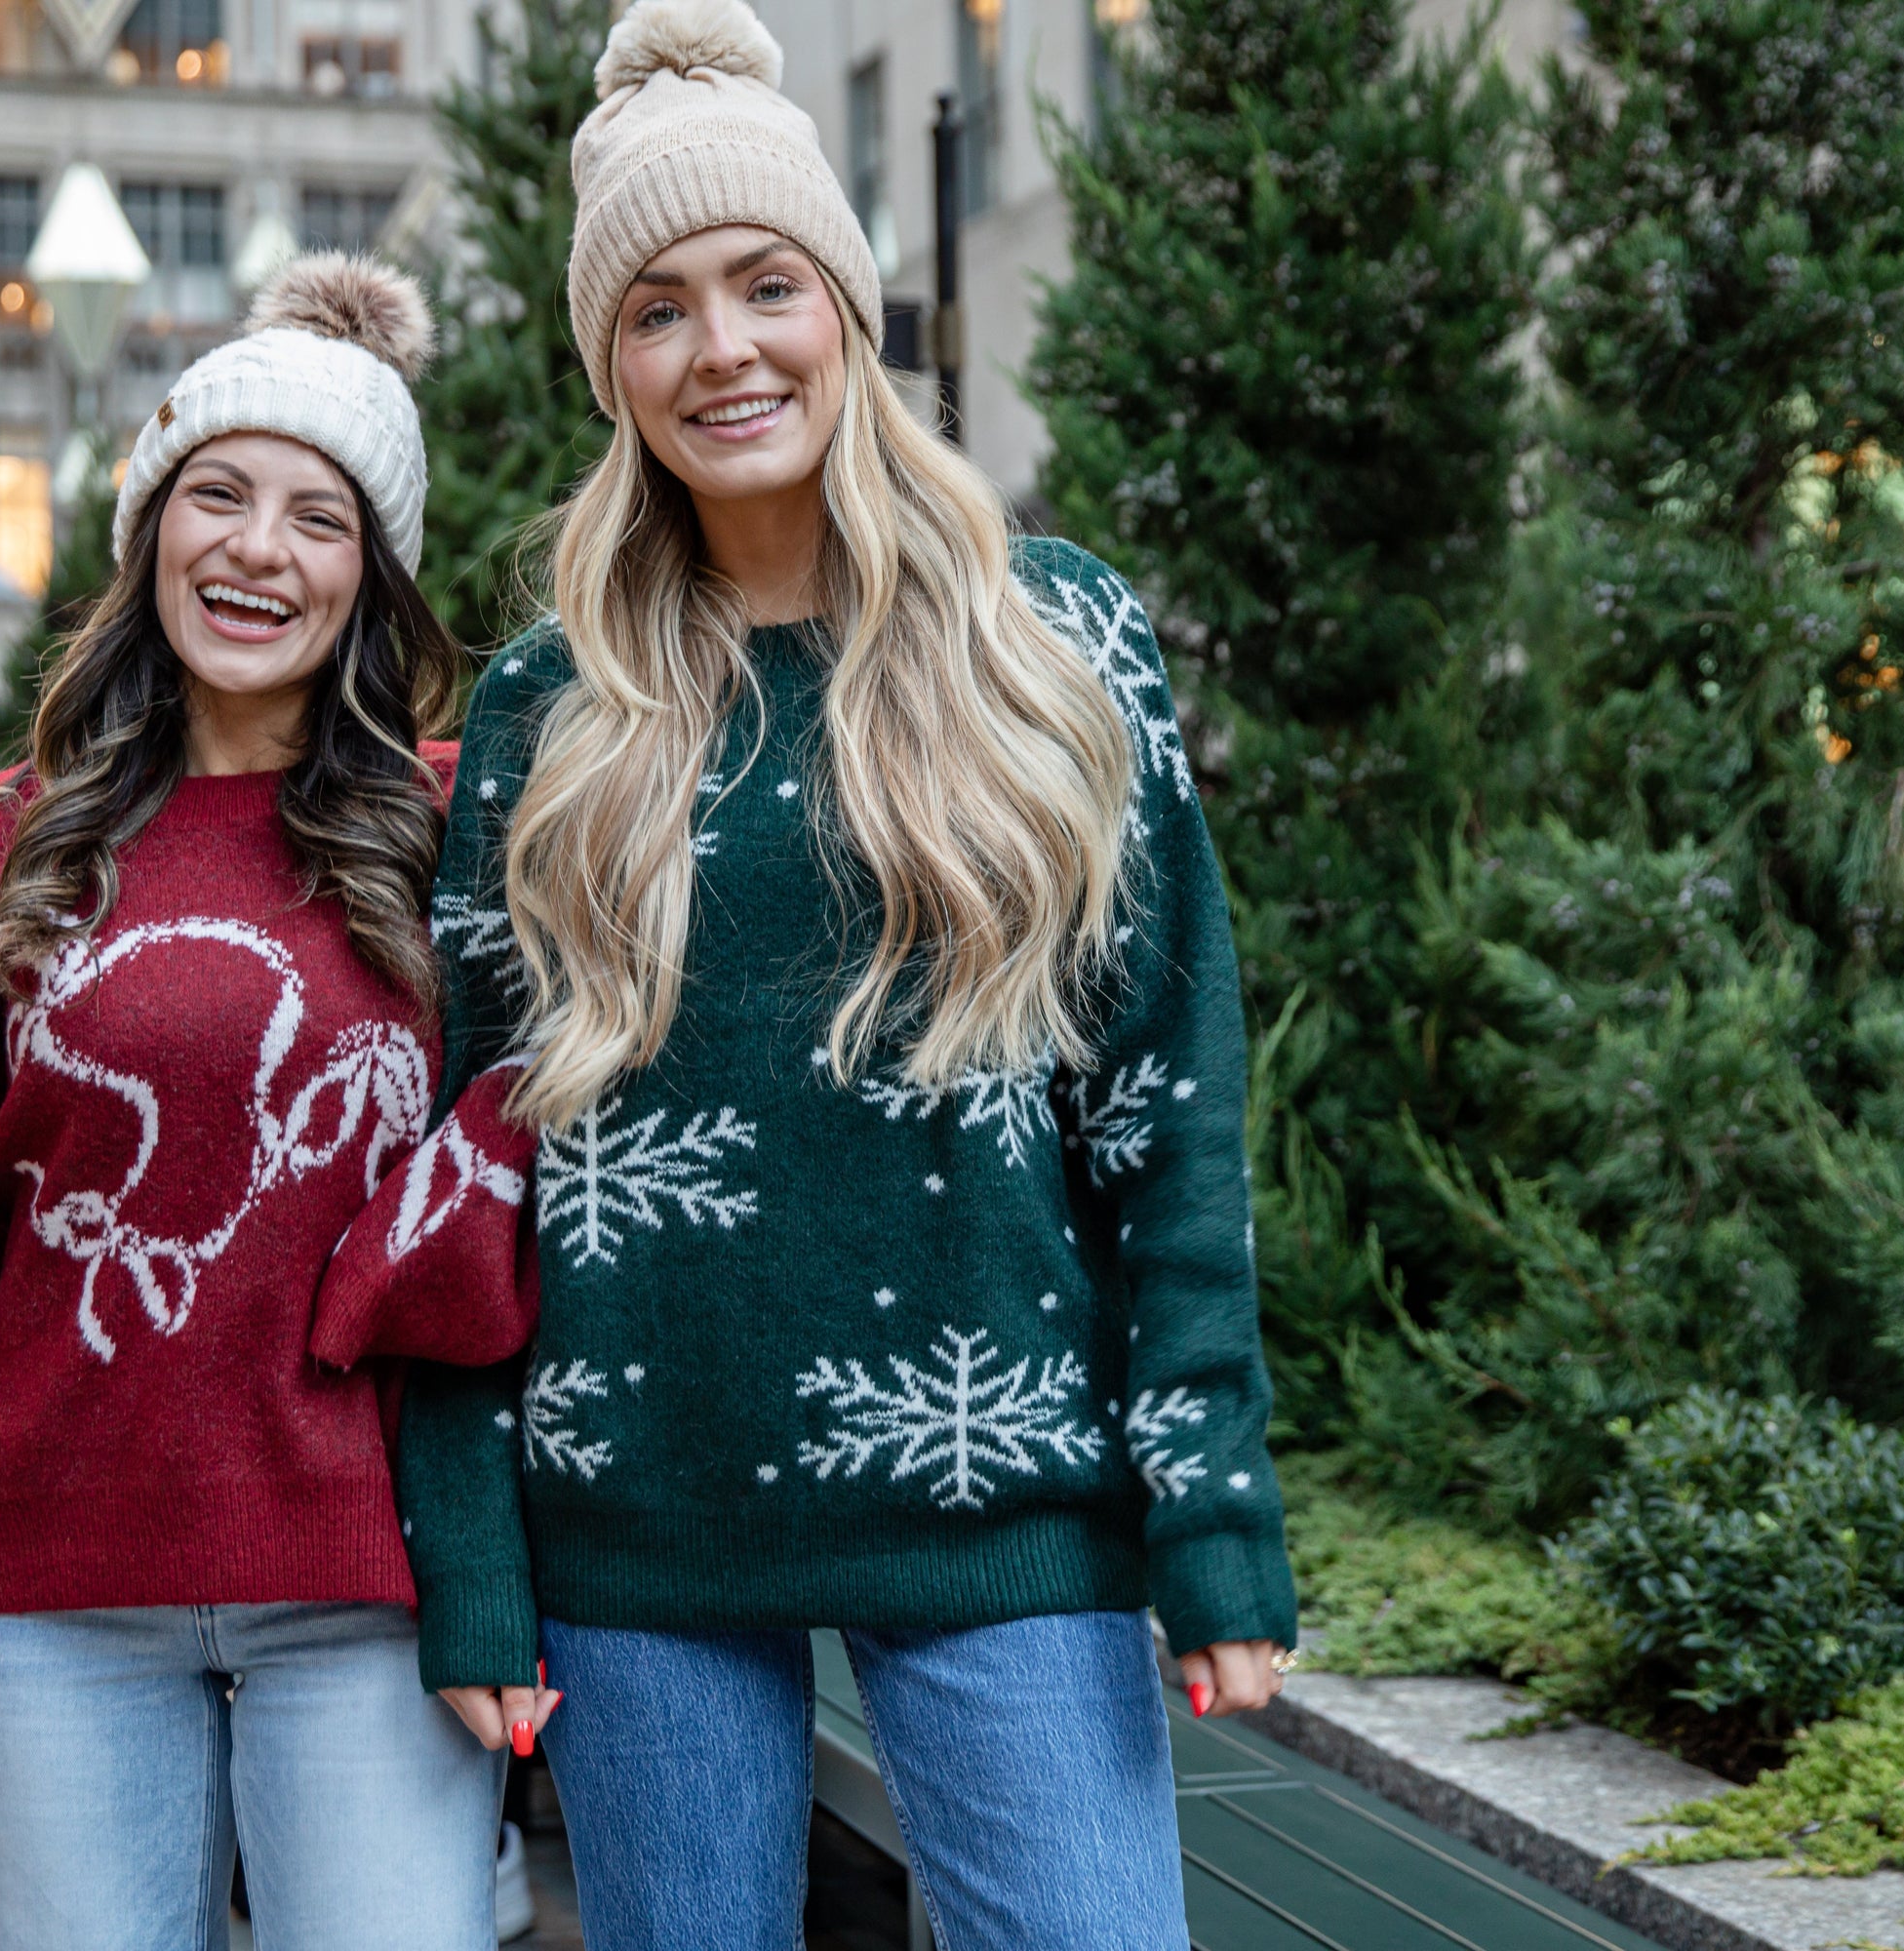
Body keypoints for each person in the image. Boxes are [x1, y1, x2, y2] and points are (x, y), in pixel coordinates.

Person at [385, 5, 1297, 1943]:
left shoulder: (1054, 639)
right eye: (658, 311)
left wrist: (1212, 1508)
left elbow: (1164, 1102)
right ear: (613, 368)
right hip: (638, 1524)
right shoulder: (554, 704)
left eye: (766, 285)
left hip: (1005, 1500)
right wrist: (472, 1558)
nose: (722, 348)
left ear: (846, 309)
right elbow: (468, 1169)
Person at [0, 253, 545, 1951]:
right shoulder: (0, 846)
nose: (259, 549)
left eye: (320, 518)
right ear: (148, 530)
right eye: (218, 494)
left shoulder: (457, 836)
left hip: (368, 1591)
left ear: (371, 577)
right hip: (53, 1604)